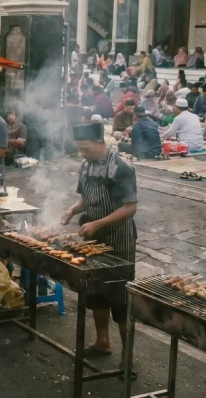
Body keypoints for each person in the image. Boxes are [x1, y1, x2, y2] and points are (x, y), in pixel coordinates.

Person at [61, 123, 138, 359]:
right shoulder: (85, 165)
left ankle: (127, 355)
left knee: (120, 297)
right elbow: (84, 198)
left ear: (99, 143)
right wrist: (73, 210)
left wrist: (99, 223)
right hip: (92, 236)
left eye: (85, 149)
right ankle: (103, 342)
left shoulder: (121, 168)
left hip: (118, 238)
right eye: (79, 150)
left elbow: (130, 208)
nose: (82, 154)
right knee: (96, 291)